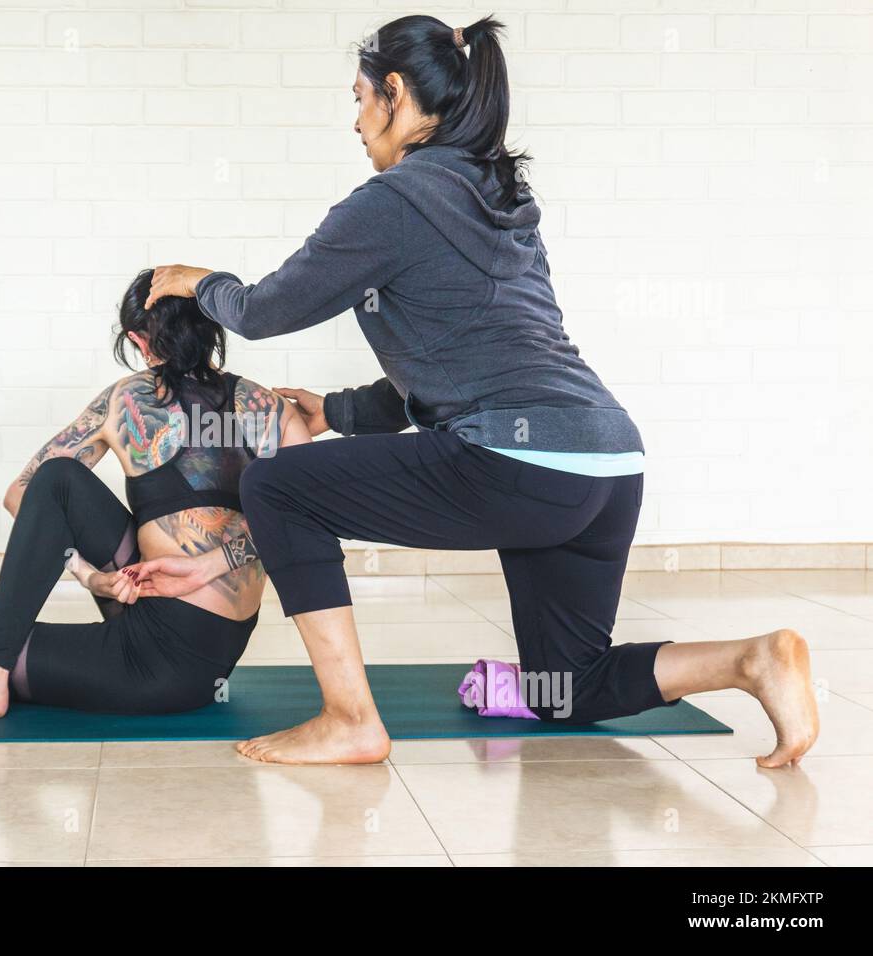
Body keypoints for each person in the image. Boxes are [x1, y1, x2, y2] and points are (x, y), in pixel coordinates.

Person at [136, 14, 819, 767]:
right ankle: (754, 660)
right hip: (609, 462)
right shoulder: (502, 198)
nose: (356, 121)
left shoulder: (392, 201)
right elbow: (459, 362)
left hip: (520, 463)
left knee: (277, 488)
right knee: (569, 686)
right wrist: (339, 412)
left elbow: (265, 311)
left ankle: (350, 719)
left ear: (394, 94)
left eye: (360, 98)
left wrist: (204, 284)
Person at [0, 269, 310, 718]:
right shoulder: (270, 409)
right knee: (59, 485)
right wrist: (98, 577)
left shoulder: (126, 399)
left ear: (139, 341)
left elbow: (21, 491)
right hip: (207, 648)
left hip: (158, 667)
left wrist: (85, 572)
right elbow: (305, 523)